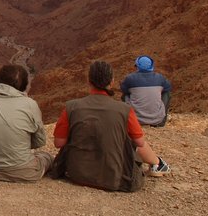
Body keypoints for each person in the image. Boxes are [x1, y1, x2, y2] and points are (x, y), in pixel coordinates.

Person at [50, 60, 171, 192]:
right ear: (111, 82)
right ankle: (157, 163)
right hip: (114, 178)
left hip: (76, 174)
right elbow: (139, 142)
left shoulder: (71, 107)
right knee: (131, 139)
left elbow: (59, 143)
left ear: (89, 81)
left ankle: (157, 163)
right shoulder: (124, 110)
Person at [0, 64, 53, 182]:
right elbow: (39, 141)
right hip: (26, 173)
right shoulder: (30, 104)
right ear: (25, 85)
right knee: (47, 157)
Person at [120, 55, 172, 127]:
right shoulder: (160, 78)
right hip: (157, 121)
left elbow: (123, 89)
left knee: (125, 95)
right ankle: (161, 120)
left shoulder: (130, 78)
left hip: (136, 121)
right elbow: (168, 88)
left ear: (137, 66)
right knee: (167, 93)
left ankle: (129, 119)